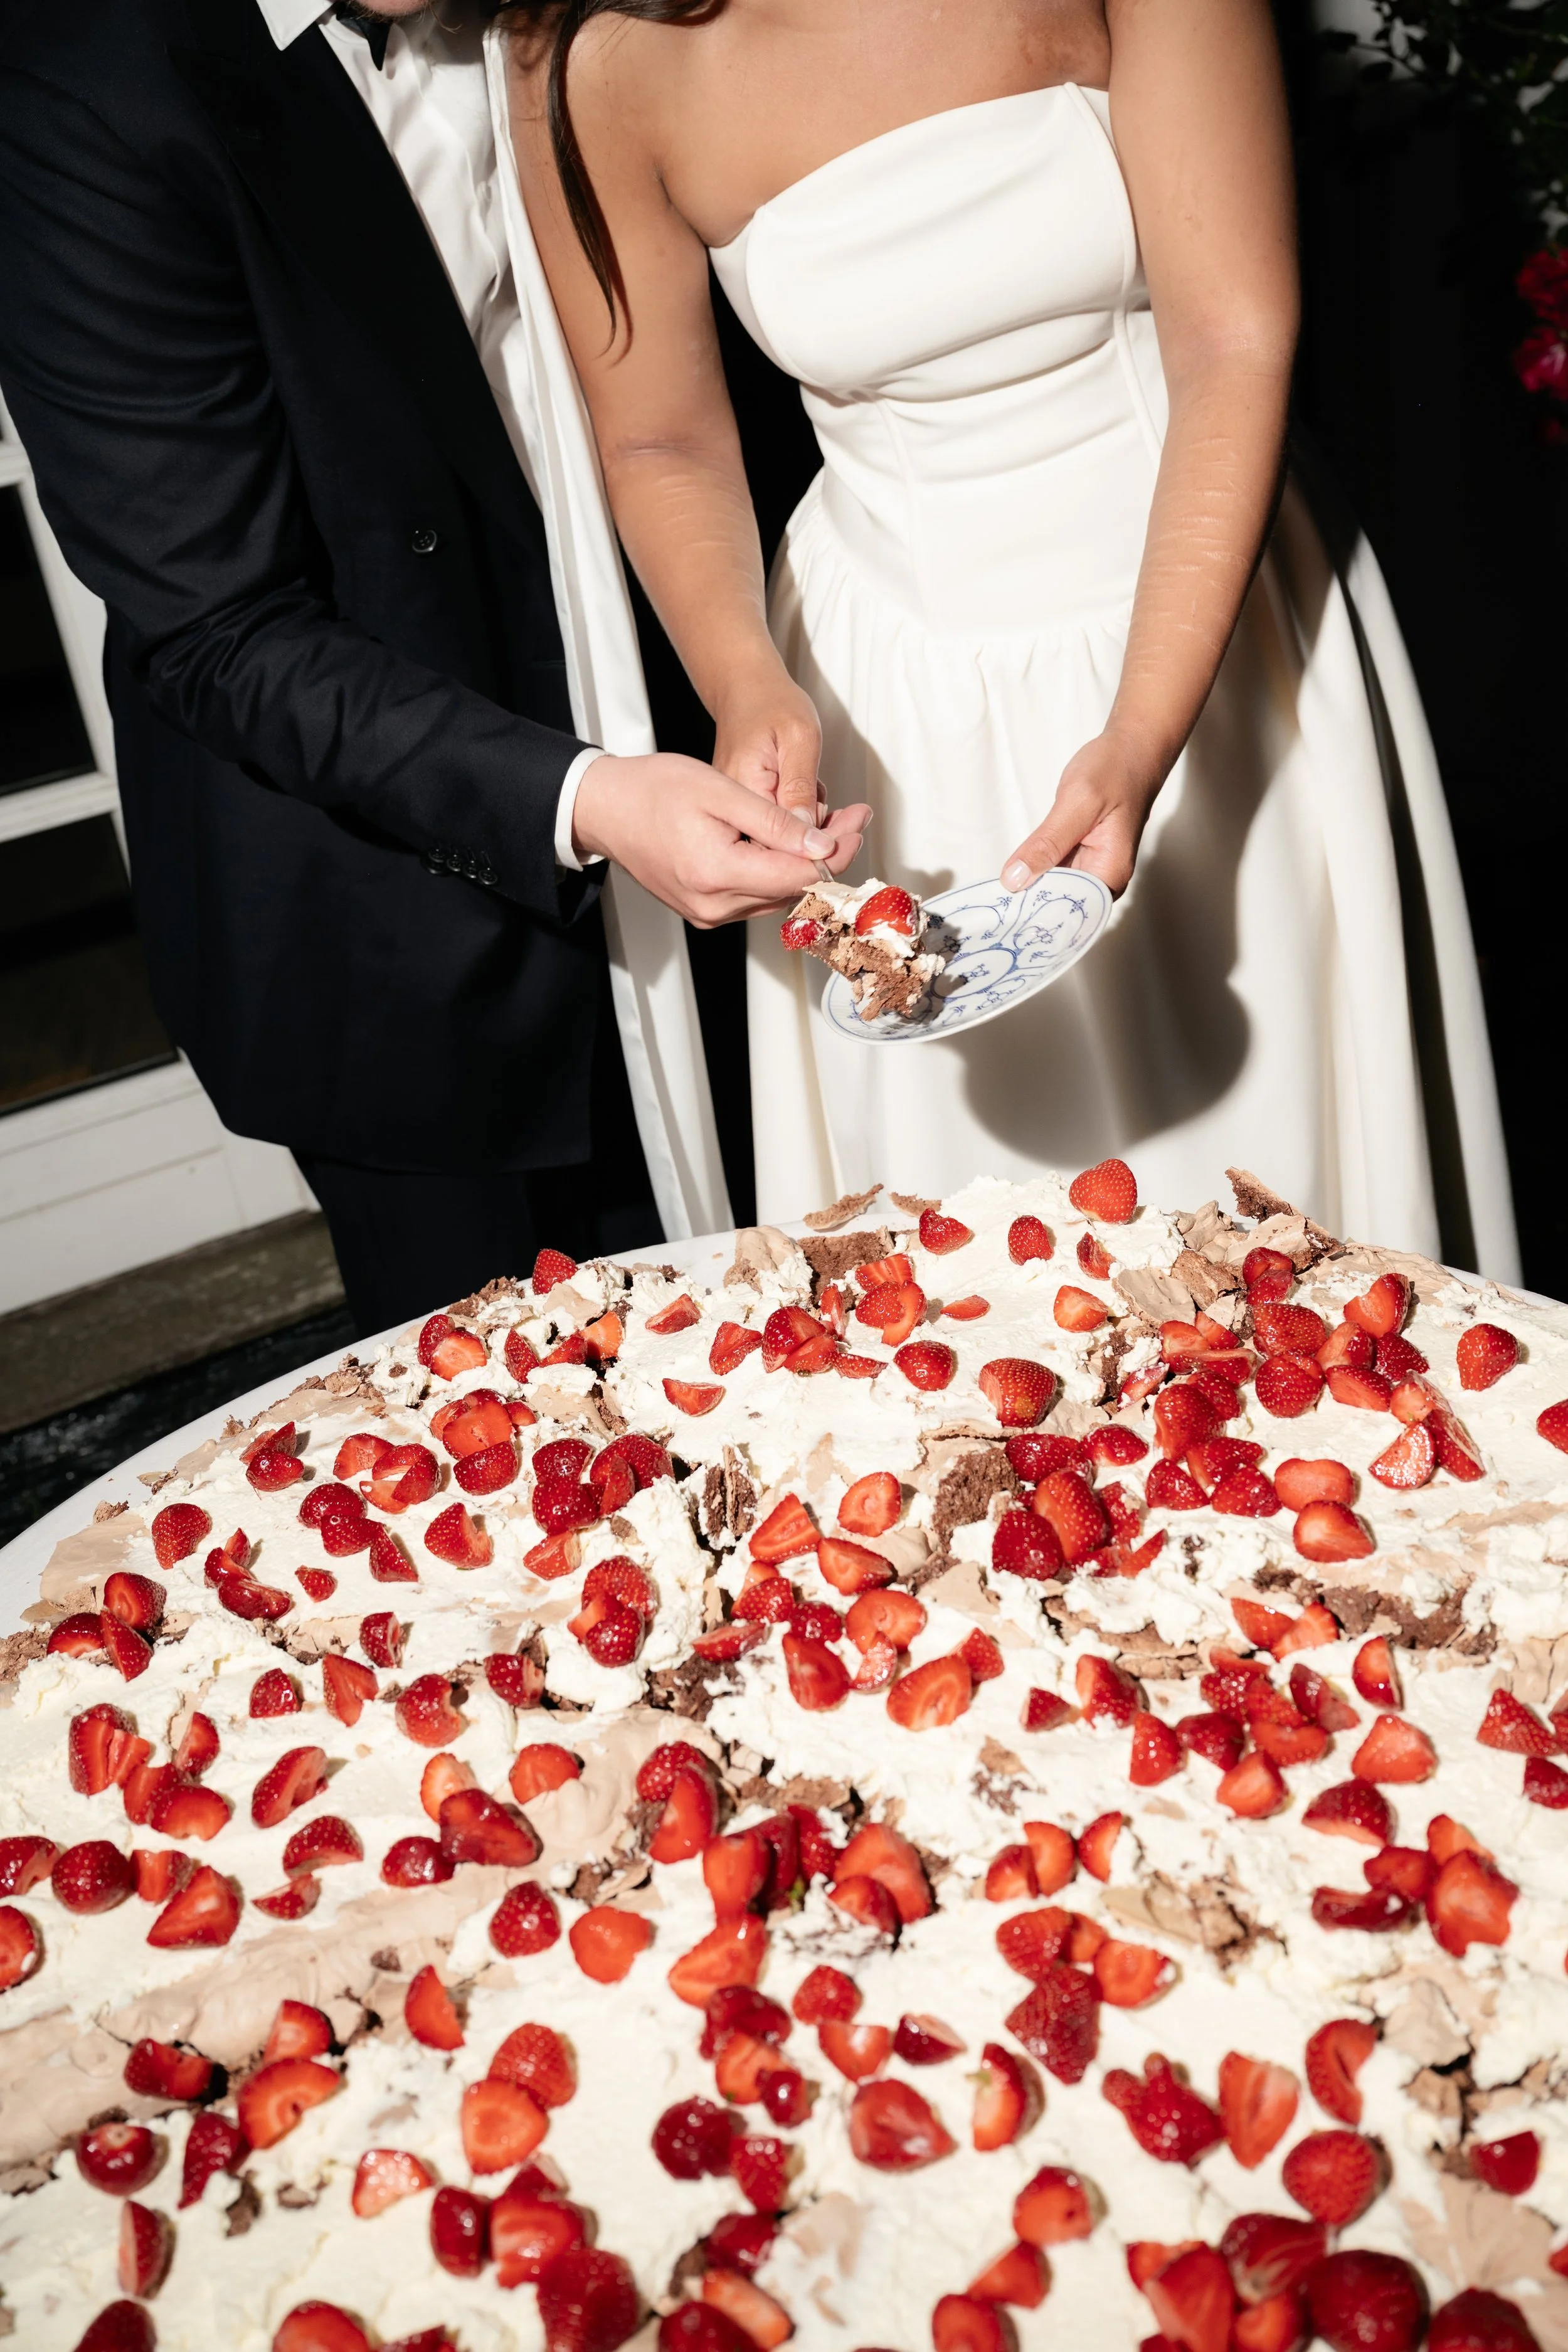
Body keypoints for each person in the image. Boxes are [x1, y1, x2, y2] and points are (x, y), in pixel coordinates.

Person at [508, 0, 1520, 1280]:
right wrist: (742, 677)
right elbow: (660, 438)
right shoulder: (583, 54)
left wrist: (1143, 729)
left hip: (1213, 643)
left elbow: (1231, 336)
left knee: (1302, 1239)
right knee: (980, 1273)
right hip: (888, 699)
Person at [0, 0, 869, 1336]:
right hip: (386, 926)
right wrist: (582, 799)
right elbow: (217, 627)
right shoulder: (81, 80)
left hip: (718, 800)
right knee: (519, 1462)